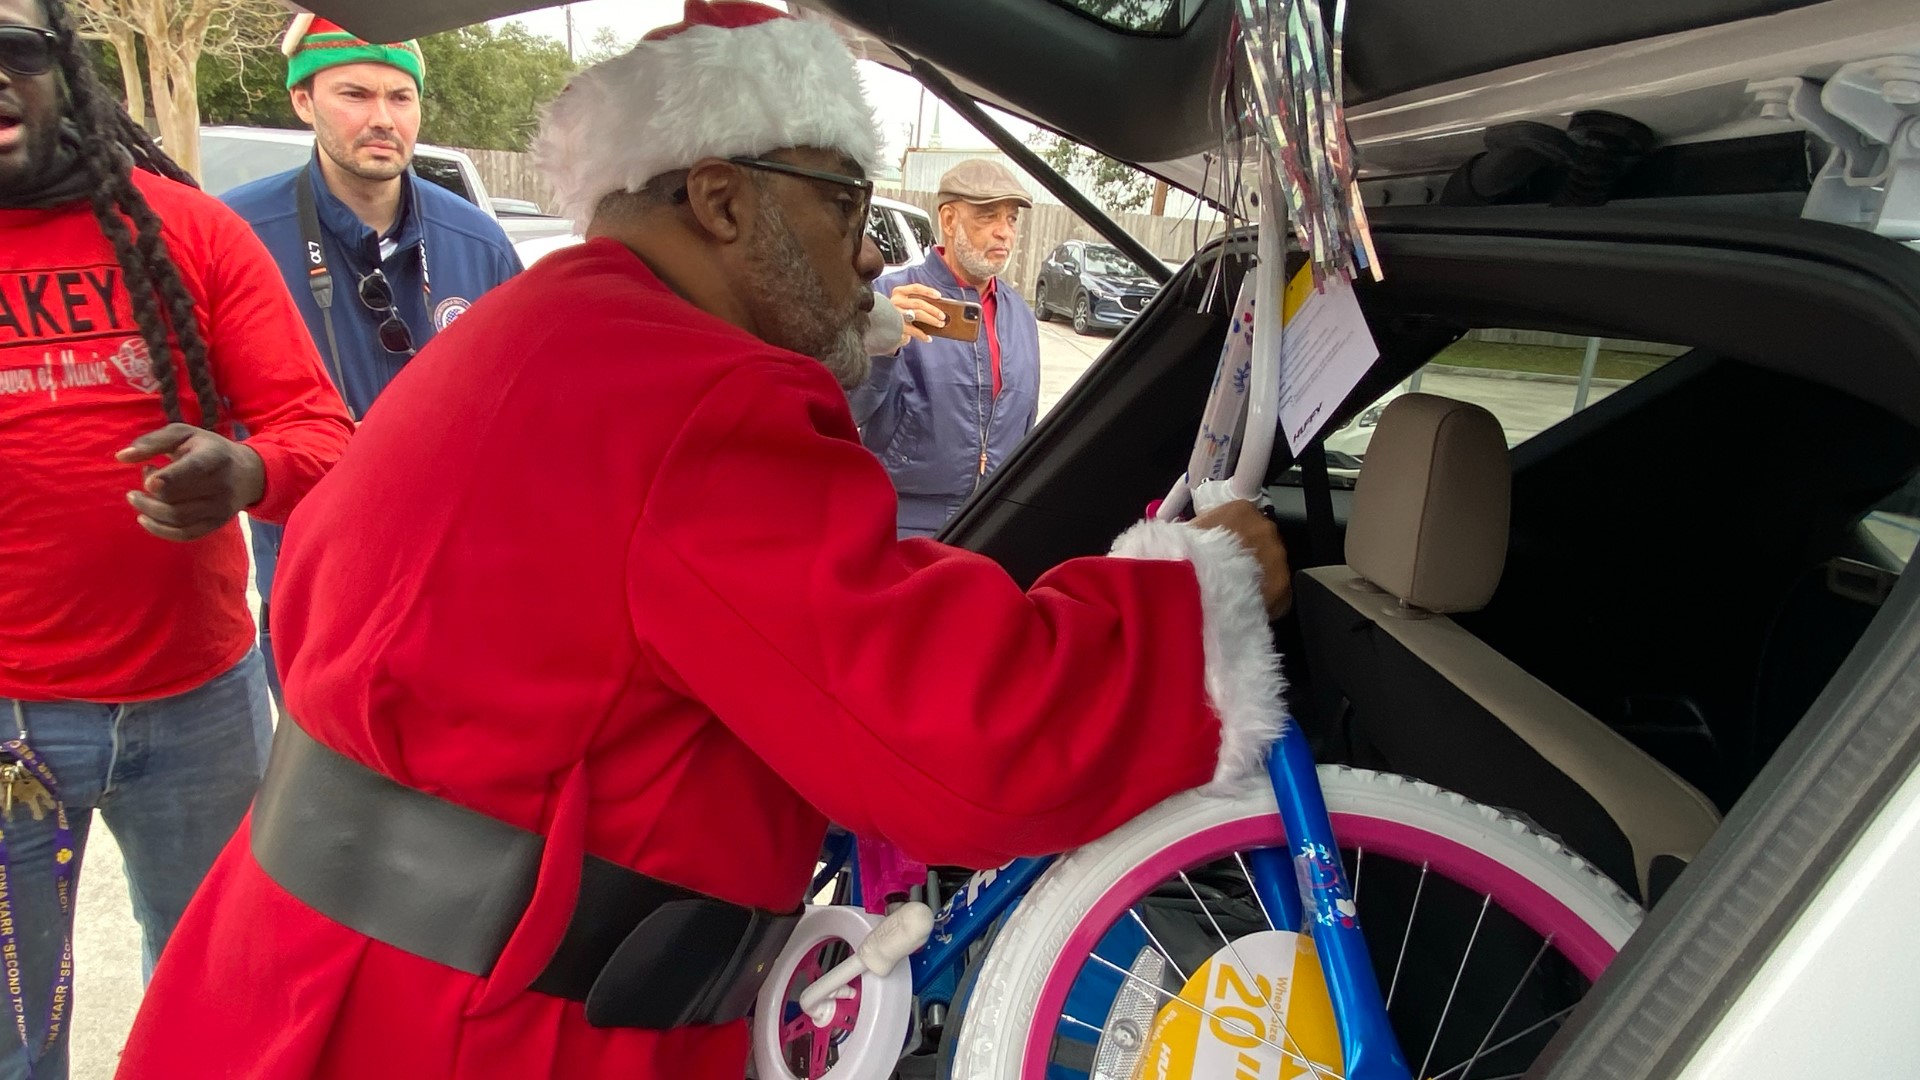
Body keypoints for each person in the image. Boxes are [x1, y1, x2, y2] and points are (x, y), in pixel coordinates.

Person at [115, 3, 1290, 1078]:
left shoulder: (546, 327)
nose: (873, 251)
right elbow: (962, 739)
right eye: (843, 202)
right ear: (724, 200)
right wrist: (1203, 597)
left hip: (302, 980)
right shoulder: (699, 393)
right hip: (478, 1031)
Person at [0, 0, 355, 1077]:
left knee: (220, 1006)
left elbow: (324, 437)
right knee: (19, 1035)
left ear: (66, 66)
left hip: (203, 706)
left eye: (13, 54)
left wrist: (248, 471)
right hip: (11, 719)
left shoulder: (186, 230)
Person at [222, 14, 523, 706]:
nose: (382, 118)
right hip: (316, 580)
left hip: (459, 580)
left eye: (400, 97)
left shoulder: (477, 242)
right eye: (355, 95)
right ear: (304, 101)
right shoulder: (238, 237)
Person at [851, 157, 1041, 538]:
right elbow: (847, 408)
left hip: (992, 518)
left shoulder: (1021, 316)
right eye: (989, 216)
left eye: (1011, 219)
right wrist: (883, 341)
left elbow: (1027, 425)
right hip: (905, 519)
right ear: (950, 221)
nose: (1005, 232)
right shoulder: (887, 299)